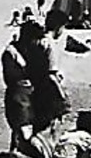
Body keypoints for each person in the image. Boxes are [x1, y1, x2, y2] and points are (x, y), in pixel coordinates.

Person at [1, 20, 44, 156]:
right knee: (22, 134)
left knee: (23, 136)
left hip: (31, 97)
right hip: (19, 98)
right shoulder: (12, 52)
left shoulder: (33, 50)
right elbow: (11, 78)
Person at [30, 10, 71, 139]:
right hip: (47, 93)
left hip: (34, 91)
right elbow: (51, 75)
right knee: (48, 132)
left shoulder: (35, 42)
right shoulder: (50, 45)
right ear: (59, 26)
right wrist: (63, 96)